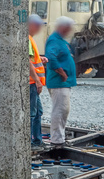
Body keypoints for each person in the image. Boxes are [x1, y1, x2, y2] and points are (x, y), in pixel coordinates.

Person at [45, 16, 77, 149]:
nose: (70, 31)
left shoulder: (60, 40)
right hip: (58, 82)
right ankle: (57, 140)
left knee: (63, 110)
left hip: (63, 83)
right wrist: (62, 73)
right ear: (63, 27)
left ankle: (60, 137)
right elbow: (51, 57)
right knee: (59, 110)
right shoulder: (54, 40)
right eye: (69, 28)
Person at [28, 14, 47, 151]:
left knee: (38, 112)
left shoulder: (30, 39)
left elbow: (32, 59)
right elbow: (27, 62)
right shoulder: (27, 39)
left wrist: (40, 59)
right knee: (32, 113)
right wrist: (37, 81)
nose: (39, 28)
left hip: (34, 83)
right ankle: (29, 141)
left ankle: (37, 140)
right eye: (37, 25)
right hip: (31, 83)